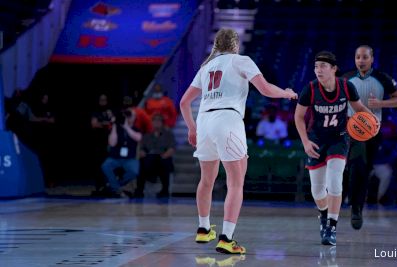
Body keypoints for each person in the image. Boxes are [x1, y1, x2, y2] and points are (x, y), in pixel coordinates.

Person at [180, 28, 297, 254]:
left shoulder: (206, 67)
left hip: (204, 121)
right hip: (228, 119)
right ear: (235, 45)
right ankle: (226, 238)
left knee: (206, 180)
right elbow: (265, 89)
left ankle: (203, 229)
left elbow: (184, 103)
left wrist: (192, 128)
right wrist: (286, 93)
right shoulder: (241, 60)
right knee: (235, 182)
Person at [294, 50, 378, 246]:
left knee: (334, 180)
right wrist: (305, 141)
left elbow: (359, 109)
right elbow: (298, 117)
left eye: (323, 66)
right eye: (316, 67)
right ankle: (323, 214)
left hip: (339, 138)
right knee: (317, 192)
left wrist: (373, 121)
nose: (318, 70)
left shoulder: (346, 87)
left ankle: (331, 226)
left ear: (334, 69)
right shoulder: (311, 89)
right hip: (316, 140)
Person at [343, 45, 397, 230]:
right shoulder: (345, 78)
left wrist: (381, 103)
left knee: (364, 169)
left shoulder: (382, 78)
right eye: (357, 57)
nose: (361, 60)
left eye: (364, 57)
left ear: (372, 59)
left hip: (373, 131)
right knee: (357, 166)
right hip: (350, 130)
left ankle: (356, 205)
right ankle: (354, 207)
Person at [101, 108, 142, 197]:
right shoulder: (117, 128)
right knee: (105, 166)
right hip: (115, 157)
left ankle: (115, 185)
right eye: (127, 116)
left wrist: (127, 127)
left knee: (134, 171)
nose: (128, 117)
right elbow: (112, 143)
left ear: (134, 118)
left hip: (129, 158)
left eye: (130, 115)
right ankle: (117, 189)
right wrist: (115, 125)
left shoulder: (136, 129)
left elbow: (138, 138)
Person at [133, 114, 176, 198]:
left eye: (158, 120)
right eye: (154, 120)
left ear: (162, 123)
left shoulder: (168, 134)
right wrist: (142, 152)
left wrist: (164, 156)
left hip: (162, 158)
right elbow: (141, 148)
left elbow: (172, 148)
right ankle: (139, 190)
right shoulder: (147, 134)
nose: (156, 122)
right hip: (149, 159)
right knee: (141, 163)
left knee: (165, 162)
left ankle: (164, 191)